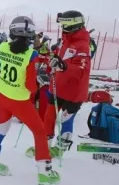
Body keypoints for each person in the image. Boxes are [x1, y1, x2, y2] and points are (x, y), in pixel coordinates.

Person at [0, 16, 60, 185]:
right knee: (39, 132)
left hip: (1, 95)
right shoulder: (31, 55)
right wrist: (41, 82)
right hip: (20, 101)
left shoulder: (2, 46)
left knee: (1, 128)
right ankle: (45, 173)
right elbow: (31, 86)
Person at [37, 10, 91, 159]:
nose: (61, 27)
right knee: (48, 117)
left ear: (72, 25)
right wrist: (49, 66)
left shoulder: (83, 45)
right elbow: (58, 60)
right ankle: (44, 147)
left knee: (65, 119)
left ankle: (60, 148)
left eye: (64, 24)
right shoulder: (65, 40)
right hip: (57, 87)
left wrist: (64, 67)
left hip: (73, 92)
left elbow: (81, 70)